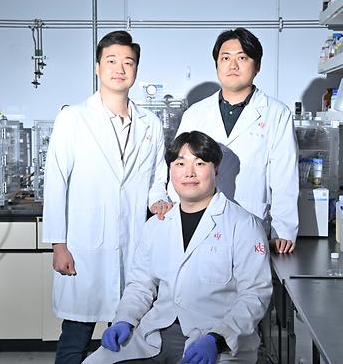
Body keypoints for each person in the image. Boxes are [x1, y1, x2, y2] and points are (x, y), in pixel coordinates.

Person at [84, 131, 273, 363]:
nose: (189, 172)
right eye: (180, 163)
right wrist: (124, 319)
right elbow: (141, 285)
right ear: (171, 171)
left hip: (214, 337)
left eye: (200, 163)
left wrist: (218, 339)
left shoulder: (244, 225)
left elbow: (255, 295)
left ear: (216, 170)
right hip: (156, 331)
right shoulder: (157, 225)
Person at [42, 30, 173, 364]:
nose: (120, 68)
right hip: (83, 247)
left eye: (128, 62)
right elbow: (56, 182)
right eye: (111, 61)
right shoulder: (73, 118)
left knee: (128, 340)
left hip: (133, 245)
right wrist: (58, 244)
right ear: (98, 67)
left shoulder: (151, 124)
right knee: (75, 337)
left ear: (136, 70)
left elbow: (158, 176)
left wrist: (158, 199)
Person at [171, 27, 299, 254]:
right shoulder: (195, 113)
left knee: (247, 286)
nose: (233, 65)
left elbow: (285, 177)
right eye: (225, 58)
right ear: (217, 64)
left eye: (242, 58)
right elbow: (179, 167)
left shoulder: (276, 113)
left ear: (257, 65)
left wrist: (283, 232)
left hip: (252, 223)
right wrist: (173, 212)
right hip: (198, 222)